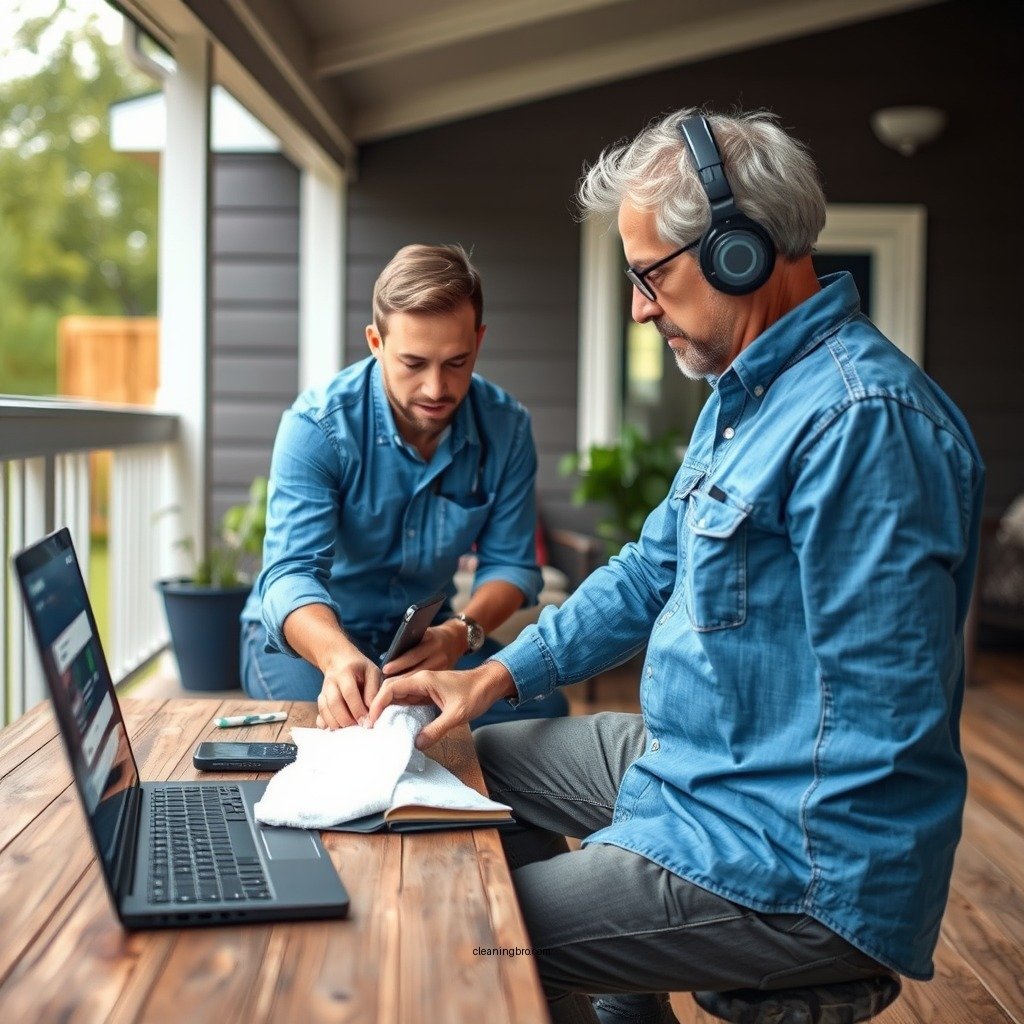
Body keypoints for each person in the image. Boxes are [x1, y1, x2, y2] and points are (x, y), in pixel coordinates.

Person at [368, 109, 984, 1024]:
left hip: (789, 852)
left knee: (461, 927)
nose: (639, 307)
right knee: (471, 762)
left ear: (742, 250)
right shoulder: (744, 397)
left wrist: (656, 849)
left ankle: (585, 955)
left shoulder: (863, 424)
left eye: (650, 275)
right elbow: (647, 570)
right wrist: (488, 676)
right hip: (700, 765)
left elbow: (881, 733)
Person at [241, 243, 568, 730]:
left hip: (426, 642)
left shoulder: (507, 428)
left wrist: (461, 633)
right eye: (413, 363)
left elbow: (512, 568)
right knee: (349, 730)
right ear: (376, 342)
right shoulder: (316, 426)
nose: (436, 389)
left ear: (478, 341)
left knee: (544, 712)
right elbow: (290, 575)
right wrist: (336, 657)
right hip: (315, 642)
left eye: (456, 362)